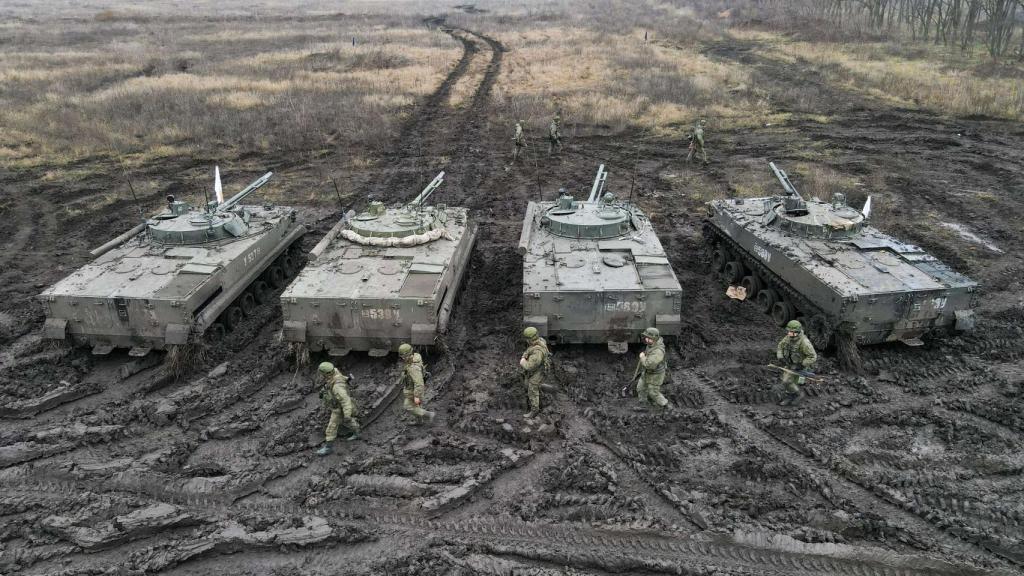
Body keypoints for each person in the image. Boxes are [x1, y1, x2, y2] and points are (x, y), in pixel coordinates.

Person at [315, 361, 360, 456]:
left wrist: (347, 414)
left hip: (338, 409)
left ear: (326, 373)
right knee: (349, 421)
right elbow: (340, 378)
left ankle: (328, 448)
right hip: (338, 404)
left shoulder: (337, 388)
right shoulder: (334, 372)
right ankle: (357, 432)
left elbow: (345, 401)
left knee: (331, 427)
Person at [776, 320, 817, 406]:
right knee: (787, 382)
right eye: (789, 332)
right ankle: (792, 395)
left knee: (793, 382)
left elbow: (813, 356)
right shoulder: (788, 337)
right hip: (789, 365)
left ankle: (798, 395)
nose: (789, 334)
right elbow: (780, 346)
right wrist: (780, 357)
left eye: (792, 332)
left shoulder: (804, 343)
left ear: (797, 332)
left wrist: (802, 364)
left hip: (800, 367)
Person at [398, 343, 435, 424]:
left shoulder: (413, 368)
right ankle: (419, 421)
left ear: (406, 355)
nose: (402, 358)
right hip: (414, 389)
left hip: (414, 391)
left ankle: (429, 415)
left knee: (408, 406)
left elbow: (419, 384)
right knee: (417, 406)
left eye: (403, 356)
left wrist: (417, 396)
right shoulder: (416, 356)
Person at [519, 326, 551, 418]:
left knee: (532, 386)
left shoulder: (537, 352)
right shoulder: (540, 340)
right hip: (538, 368)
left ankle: (534, 410)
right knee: (527, 383)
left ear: (529, 339)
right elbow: (528, 350)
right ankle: (540, 388)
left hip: (539, 371)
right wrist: (525, 355)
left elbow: (530, 366)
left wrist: (523, 361)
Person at [636, 327, 669, 408]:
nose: (645, 339)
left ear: (653, 339)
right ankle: (643, 403)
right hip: (647, 372)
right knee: (640, 387)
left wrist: (642, 357)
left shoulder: (658, 351)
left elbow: (649, 365)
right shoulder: (651, 344)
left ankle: (665, 405)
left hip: (656, 374)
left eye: (647, 338)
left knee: (653, 392)